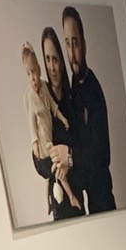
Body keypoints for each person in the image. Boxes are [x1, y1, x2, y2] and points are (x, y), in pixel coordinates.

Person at [61, 6, 116, 214]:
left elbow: (103, 155)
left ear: (84, 45)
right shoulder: (73, 84)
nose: (72, 54)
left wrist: (70, 155)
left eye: (75, 43)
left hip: (102, 200)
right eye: (67, 43)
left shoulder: (93, 89)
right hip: (86, 199)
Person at [21, 41, 81, 217]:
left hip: (75, 188)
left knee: (53, 172)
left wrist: (69, 158)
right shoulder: (33, 95)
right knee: (52, 169)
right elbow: (31, 123)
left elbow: (84, 153)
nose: (52, 67)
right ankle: (57, 200)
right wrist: (35, 145)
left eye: (55, 59)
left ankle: (68, 198)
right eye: (48, 59)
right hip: (44, 144)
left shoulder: (64, 97)